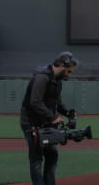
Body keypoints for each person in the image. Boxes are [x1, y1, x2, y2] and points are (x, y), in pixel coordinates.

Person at [20, 52, 78, 185]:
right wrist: (52, 118)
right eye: (68, 71)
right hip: (31, 122)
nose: (69, 75)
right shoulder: (42, 77)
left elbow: (56, 102)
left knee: (52, 155)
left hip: (46, 123)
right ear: (62, 65)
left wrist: (67, 113)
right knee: (37, 159)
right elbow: (35, 102)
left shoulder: (57, 81)